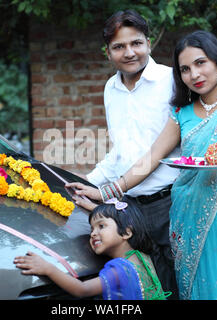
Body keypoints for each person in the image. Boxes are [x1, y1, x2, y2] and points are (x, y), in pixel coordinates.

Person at [67, 30, 217, 300]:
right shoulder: (181, 113)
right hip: (190, 219)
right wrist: (105, 193)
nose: (194, 74)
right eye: (185, 69)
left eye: (201, 63)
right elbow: (150, 158)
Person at [76, 9, 181, 298]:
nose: (129, 52)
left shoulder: (171, 81)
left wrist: (108, 189)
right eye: (119, 47)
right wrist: (89, 181)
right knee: (152, 285)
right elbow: (121, 151)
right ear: (107, 52)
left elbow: (160, 150)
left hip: (171, 201)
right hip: (132, 208)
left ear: (149, 43)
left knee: (183, 280)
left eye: (136, 43)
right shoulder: (111, 88)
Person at [13, 197, 170, 300]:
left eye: (101, 226)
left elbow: (83, 290)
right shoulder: (141, 255)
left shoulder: (120, 269)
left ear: (127, 232)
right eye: (92, 229)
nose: (93, 234)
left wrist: (48, 269)